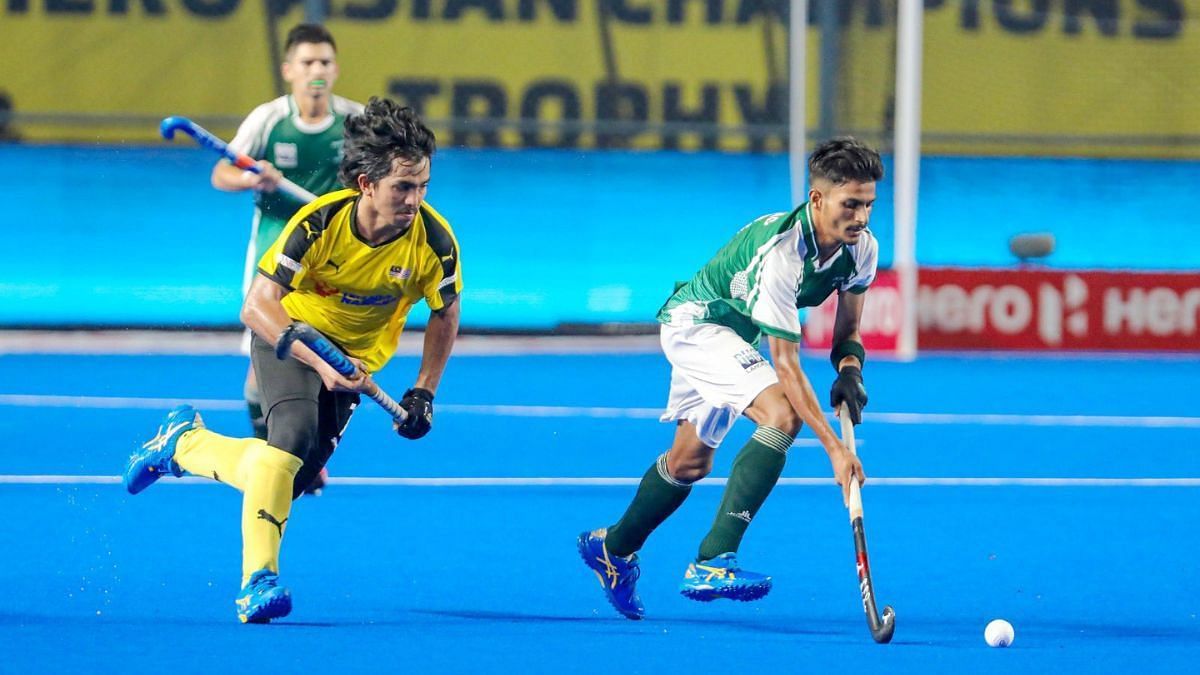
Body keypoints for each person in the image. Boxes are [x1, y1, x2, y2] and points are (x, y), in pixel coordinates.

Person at [125, 98, 461, 624]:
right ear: (365, 184)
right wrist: (318, 360)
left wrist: (423, 391)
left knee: (293, 480)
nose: (415, 200)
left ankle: (185, 444)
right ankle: (257, 582)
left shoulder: (434, 242)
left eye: (422, 186)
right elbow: (256, 306)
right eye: (403, 187)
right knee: (291, 441)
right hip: (288, 336)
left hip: (353, 361)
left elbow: (445, 314)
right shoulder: (317, 223)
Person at [578, 137, 881, 620]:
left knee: (689, 462)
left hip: (736, 338)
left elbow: (848, 331)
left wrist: (850, 369)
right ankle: (713, 560)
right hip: (698, 325)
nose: (861, 216)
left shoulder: (861, 249)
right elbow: (786, 364)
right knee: (782, 413)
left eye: (868, 204)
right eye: (851, 204)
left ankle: (612, 548)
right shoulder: (784, 252)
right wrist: (836, 450)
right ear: (818, 200)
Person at [213, 24, 365, 495]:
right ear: (288, 71)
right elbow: (222, 171)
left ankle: (305, 454)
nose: (316, 71)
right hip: (275, 262)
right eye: (307, 63)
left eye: (324, 62)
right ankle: (275, 452)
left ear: (335, 69)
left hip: (335, 262)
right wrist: (251, 180)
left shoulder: (356, 122)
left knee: (330, 360)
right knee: (263, 371)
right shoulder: (269, 120)